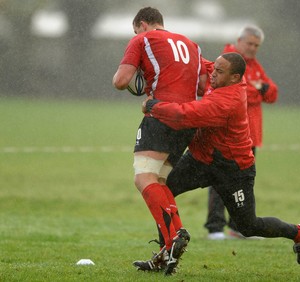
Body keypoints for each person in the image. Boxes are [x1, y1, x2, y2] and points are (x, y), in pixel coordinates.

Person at [137, 52, 300, 273]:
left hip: (233, 170)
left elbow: (186, 115)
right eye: (216, 68)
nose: (213, 74)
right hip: (200, 159)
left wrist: (154, 105)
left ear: (234, 78)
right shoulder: (221, 74)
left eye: (219, 72)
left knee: (248, 226)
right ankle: (166, 254)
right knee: (162, 190)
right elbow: (200, 63)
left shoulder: (228, 101)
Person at [112, 7, 206, 275]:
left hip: (162, 115)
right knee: (160, 180)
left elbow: (121, 81)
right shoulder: (192, 44)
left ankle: (174, 237)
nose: (136, 35)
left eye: (135, 31)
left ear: (142, 25)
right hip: (189, 120)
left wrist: (132, 76)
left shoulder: (141, 39)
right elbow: (201, 87)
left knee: (143, 179)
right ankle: (169, 250)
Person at [205, 25, 279, 240]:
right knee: (219, 178)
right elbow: (237, 93)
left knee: (243, 183)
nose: (253, 48)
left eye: (257, 45)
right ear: (239, 40)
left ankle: (238, 227)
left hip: (250, 135)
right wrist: (257, 89)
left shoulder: (254, 65)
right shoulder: (226, 61)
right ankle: (215, 227)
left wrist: (259, 88)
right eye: (250, 43)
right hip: (227, 134)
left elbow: (272, 94)